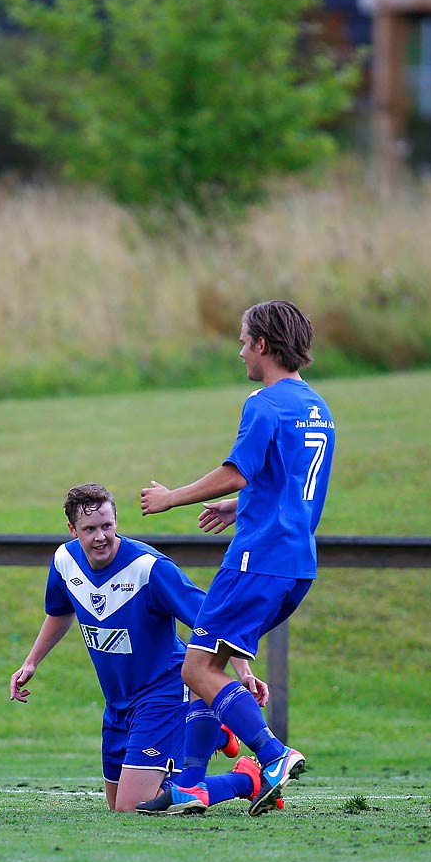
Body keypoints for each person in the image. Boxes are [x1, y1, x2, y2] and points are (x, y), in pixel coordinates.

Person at [136, 299, 334, 817]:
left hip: (256, 559)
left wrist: (172, 497)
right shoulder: (316, 407)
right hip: (295, 564)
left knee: (197, 668)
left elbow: (237, 470)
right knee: (214, 665)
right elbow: (285, 482)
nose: (240, 350)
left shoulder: (262, 404)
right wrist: (236, 505)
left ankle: (272, 755)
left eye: (244, 341)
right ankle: (190, 787)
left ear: (263, 345)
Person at [9, 482, 269, 814]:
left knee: (133, 807)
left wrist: (243, 670)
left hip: (163, 693)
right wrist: (31, 662)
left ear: (116, 521)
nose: (100, 537)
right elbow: (59, 612)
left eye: (107, 526)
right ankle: (211, 732)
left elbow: (211, 622)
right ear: (72, 529)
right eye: (89, 529)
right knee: (117, 802)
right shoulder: (64, 561)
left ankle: (246, 781)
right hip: (117, 701)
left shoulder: (149, 569)